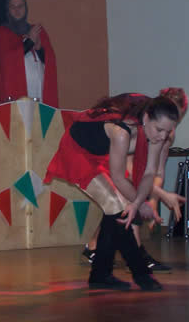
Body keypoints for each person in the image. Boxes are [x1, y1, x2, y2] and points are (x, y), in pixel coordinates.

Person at [44, 94, 181, 291]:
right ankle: (141, 274)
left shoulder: (156, 135)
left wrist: (138, 202)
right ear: (146, 118)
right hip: (78, 152)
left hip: (102, 154)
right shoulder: (121, 133)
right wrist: (139, 204)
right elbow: (118, 178)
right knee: (117, 206)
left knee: (116, 210)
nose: (162, 136)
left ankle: (100, 274)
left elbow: (149, 173)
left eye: (167, 132)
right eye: (159, 129)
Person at [82, 88, 188, 272]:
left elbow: (157, 172)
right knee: (128, 199)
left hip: (125, 167)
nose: (166, 132)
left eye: (174, 122)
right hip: (107, 158)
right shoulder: (134, 128)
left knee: (124, 203)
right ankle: (136, 254)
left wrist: (153, 201)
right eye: (163, 126)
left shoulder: (164, 134)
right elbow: (129, 174)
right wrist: (149, 199)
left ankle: (94, 247)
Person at [0, 0, 58, 107]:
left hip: (40, 87)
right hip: (18, 88)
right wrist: (30, 41)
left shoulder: (37, 31)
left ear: (26, 8)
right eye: (13, 7)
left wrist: (39, 48)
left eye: (20, 6)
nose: (17, 10)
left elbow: (49, 60)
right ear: (8, 10)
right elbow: (7, 60)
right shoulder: (2, 33)